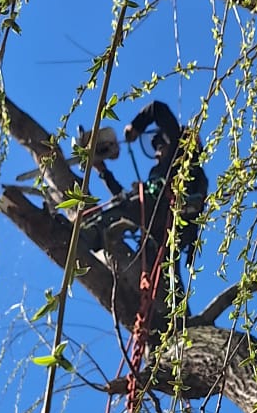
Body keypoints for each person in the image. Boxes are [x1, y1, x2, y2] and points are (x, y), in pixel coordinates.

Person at [78, 99, 206, 291]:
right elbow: (125, 198)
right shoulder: (161, 173)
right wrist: (103, 171)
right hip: (159, 228)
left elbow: (157, 108)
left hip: (170, 217)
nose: (156, 153)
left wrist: (136, 126)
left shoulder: (181, 158)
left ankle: (84, 237)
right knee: (160, 275)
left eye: (160, 146)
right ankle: (174, 313)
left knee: (126, 213)